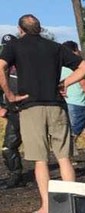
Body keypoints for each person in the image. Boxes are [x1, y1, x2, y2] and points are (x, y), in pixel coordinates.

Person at [0, 14, 85, 213]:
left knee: (40, 159)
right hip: (57, 105)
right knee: (64, 157)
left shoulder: (15, 46)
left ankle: (47, 208)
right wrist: (65, 83)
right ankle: (70, 206)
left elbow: (1, 66)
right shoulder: (56, 47)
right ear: (39, 29)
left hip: (31, 107)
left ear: (20, 29)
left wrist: (10, 95)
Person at [0, 34, 25, 189]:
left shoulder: (27, 65)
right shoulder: (3, 69)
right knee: (8, 148)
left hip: (33, 109)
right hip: (13, 113)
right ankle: (16, 176)